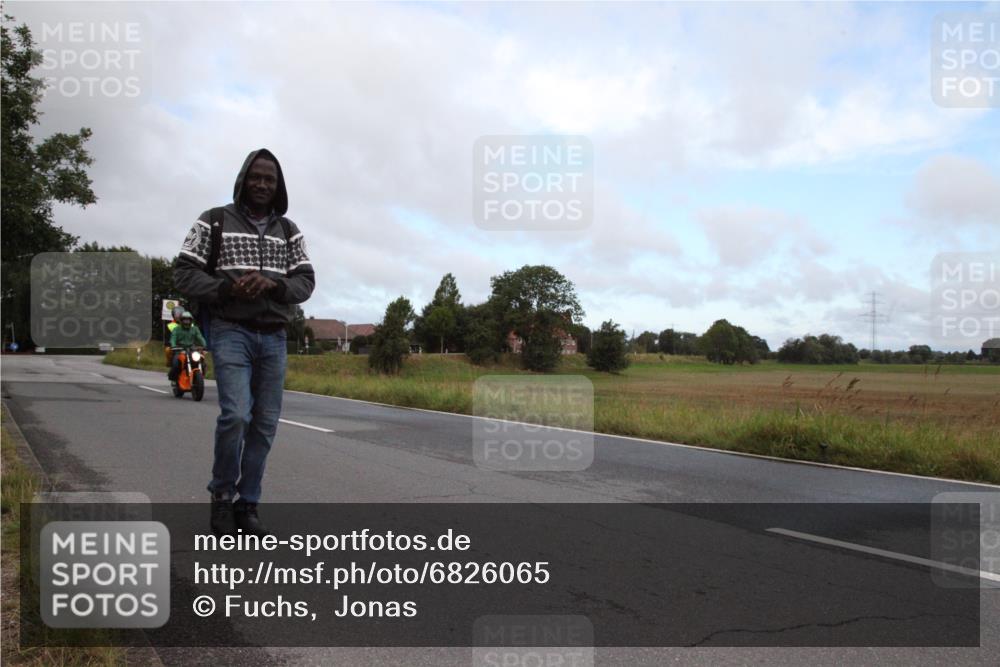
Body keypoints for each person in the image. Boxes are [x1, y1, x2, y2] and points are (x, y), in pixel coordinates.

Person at [174, 149, 314, 537]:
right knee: (236, 415)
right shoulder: (214, 221)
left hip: (274, 336)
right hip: (230, 329)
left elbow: (306, 282)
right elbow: (183, 272)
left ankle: (248, 503)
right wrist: (225, 287)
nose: (263, 184)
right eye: (256, 177)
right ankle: (221, 496)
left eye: (270, 179)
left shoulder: (289, 231)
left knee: (265, 424)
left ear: (278, 185)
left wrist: (275, 283)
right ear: (243, 179)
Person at [168, 311, 206, 384]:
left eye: (188, 320)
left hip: (191, 349)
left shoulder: (195, 329)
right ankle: (174, 379)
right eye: (184, 320)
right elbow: (173, 338)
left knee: (201, 360)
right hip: (179, 349)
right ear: (181, 320)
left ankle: (200, 377)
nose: (186, 321)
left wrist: (204, 345)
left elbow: (200, 338)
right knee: (176, 363)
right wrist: (173, 346)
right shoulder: (177, 329)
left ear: (191, 320)